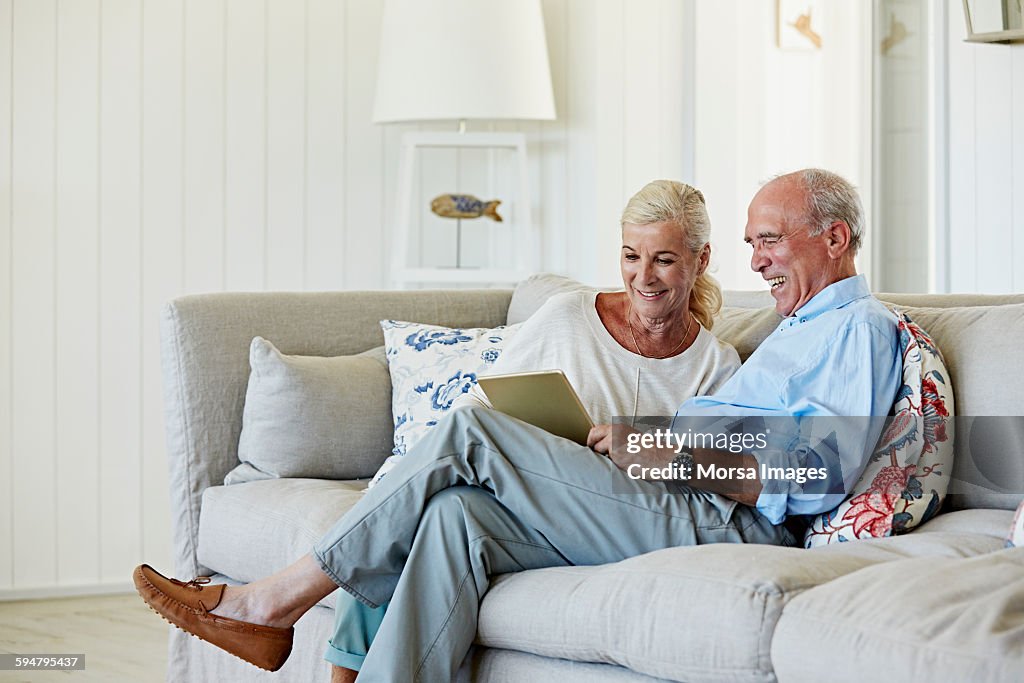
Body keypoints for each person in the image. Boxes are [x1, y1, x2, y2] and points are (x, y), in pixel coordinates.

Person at [135, 169, 901, 682]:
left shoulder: (856, 327)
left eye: (770, 239)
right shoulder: (793, 327)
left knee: (476, 437)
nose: (756, 259)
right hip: (670, 493)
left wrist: (657, 443)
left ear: (833, 239)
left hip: (723, 521)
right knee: (454, 515)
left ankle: (273, 601)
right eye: (752, 242)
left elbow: (817, 470)